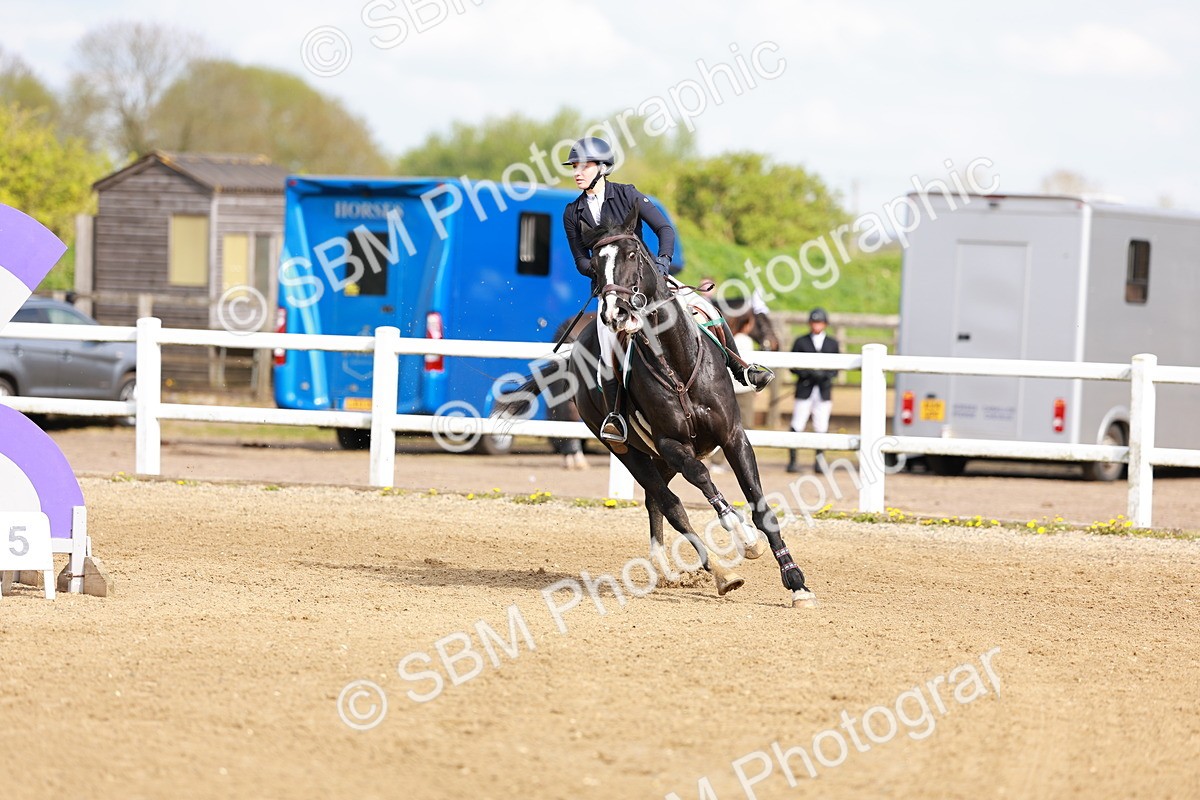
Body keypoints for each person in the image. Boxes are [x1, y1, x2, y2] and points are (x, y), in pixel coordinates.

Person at [561, 136, 773, 445]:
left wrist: (662, 263)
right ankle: (616, 416)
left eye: (584, 166)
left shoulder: (628, 195)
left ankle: (740, 368)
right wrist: (605, 271)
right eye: (574, 167)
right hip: (613, 291)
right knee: (607, 348)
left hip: (650, 281)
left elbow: (664, 230)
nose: (577, 172)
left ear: (603, 168)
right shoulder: (573, 212)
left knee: (706, 308)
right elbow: (580, 259)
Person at [787, 307, 839, 473]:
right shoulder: (800, 341)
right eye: (814, 322)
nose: (816, 325)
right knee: (798, 422)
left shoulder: (832, 343)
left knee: (821, 424)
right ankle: (793, 461)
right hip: (805, 387)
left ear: (825, 324)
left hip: (823, 389)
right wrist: (808, 373)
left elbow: (836, 369)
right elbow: (792, 366)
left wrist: (824, 375)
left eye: (819, 322)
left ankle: (819, 461)